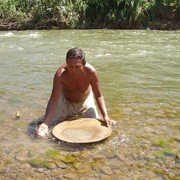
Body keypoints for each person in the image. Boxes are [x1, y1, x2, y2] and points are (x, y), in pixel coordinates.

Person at [37, 47, 112, 137]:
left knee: (96, 126)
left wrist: (105, 115)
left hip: (85, 101)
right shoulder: (60, 74)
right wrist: (45, 124)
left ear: (84, 65)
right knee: (49, 127)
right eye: (71, 66)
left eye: (77, 67)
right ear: (66, 64)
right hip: (65, 101)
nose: (73, 70)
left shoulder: (91, 72)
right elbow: (54, 99)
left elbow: (98, 95)